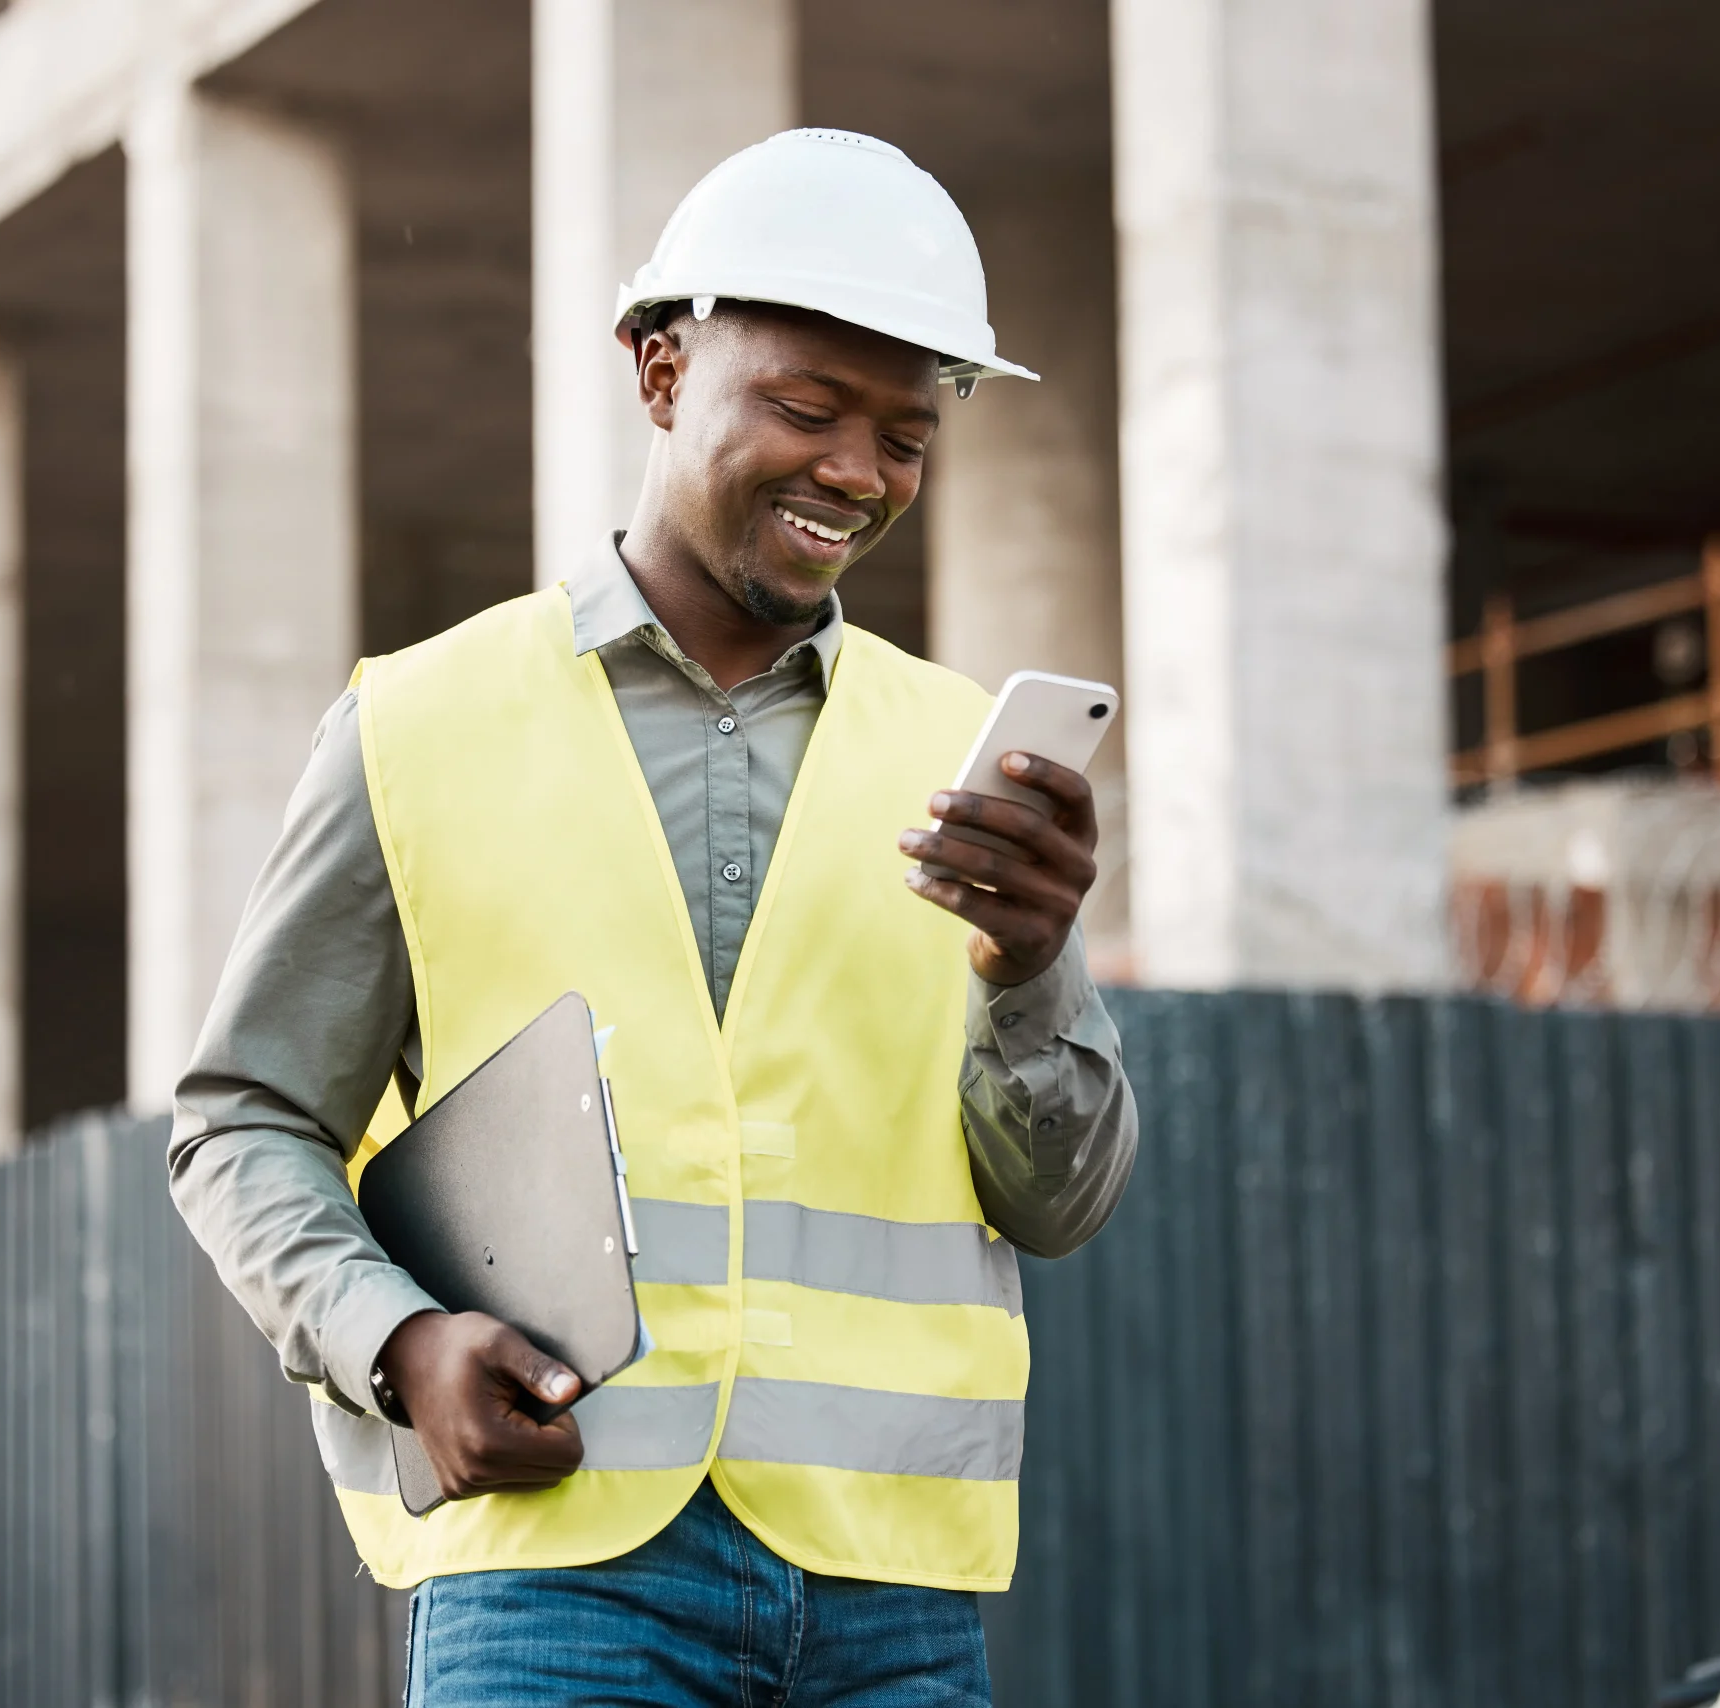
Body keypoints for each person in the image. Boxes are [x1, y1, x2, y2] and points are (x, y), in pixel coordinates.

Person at [170, 128, 1138, 1705]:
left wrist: (1028, 972)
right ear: (661, 371)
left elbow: (1062, 1203)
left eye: (905, 434)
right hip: (561, 1579)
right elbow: (241, 1124)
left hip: (891, 1593)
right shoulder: (420, 726)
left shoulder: (962, 755)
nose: (854, 471)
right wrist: (398, 1344)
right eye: (807, 409)